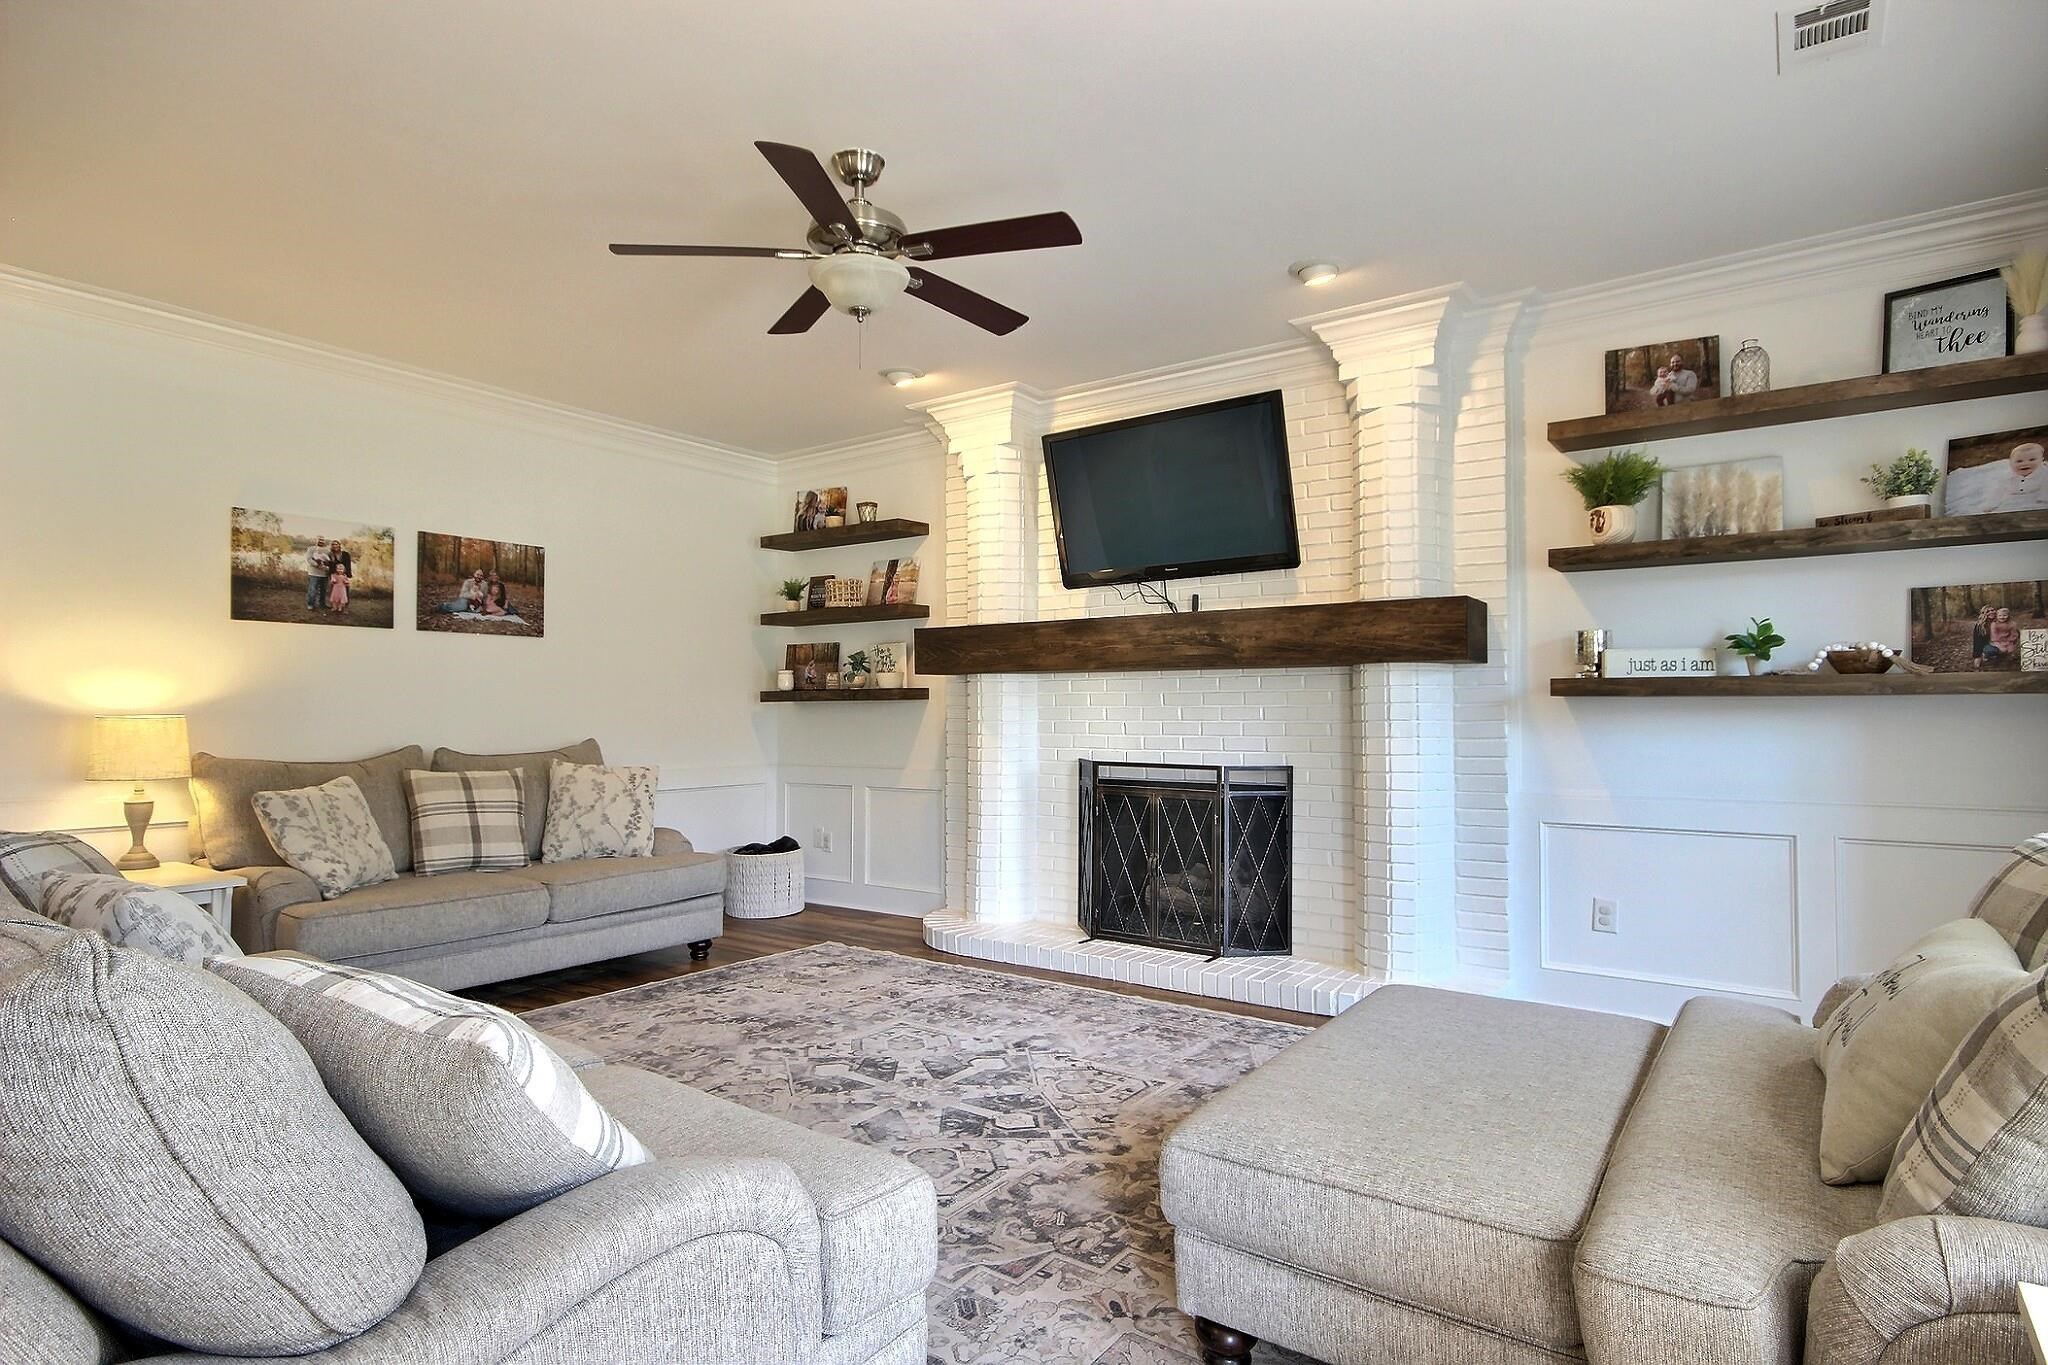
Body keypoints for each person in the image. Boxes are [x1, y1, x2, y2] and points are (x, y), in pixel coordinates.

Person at [305, 537, 332, 609]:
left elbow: (330, 561)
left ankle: (322, 604)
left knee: (323, 590)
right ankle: (310, 604)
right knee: (313, 589)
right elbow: (309, 559)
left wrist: (327, 567)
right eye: (319, 539)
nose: (321, 541)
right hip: (313, 573)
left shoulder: (327, 550)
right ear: (316, 540)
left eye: (322, 540)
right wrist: (317, 565)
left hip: (324, 573)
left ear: (324, 541)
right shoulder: (311, 549)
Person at [326, 542, 352, 613]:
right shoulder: (330, 554)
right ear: (332, 546)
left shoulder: (345, 554)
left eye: (336, 544)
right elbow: (329, 565)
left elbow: (348, 565)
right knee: (334, 592)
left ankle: (345, 607)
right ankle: (334, 606)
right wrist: (331, 576)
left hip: (344, 575)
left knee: (345, 592)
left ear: (339, 545)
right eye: (333, 544)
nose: (335, 546)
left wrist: (348, 575)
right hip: (334, 575)